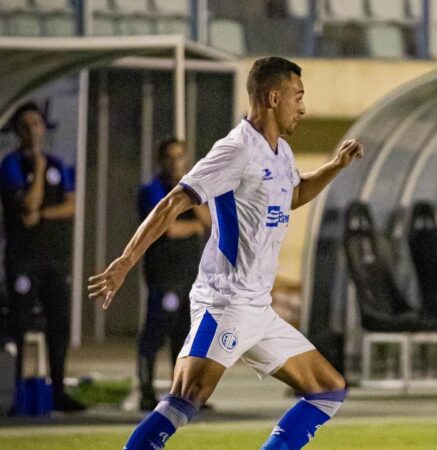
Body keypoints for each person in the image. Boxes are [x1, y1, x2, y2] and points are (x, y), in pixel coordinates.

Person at [88, 56, 364, 450]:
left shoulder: (281, 152)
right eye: (298, 97)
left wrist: (335, 166)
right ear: (273, 98)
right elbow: (172, 203)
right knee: (187, 396)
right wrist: (125, 262)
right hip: (226, 304)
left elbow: (295, 193)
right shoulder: (236, 150)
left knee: (327, 388)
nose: (302, 107)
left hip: (258, 308)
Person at [0, 102, 85, 412]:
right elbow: (28, 204)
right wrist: (36, 168)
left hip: (55, 258)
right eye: (25, 125)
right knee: (19, 324)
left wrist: (42, 214)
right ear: (17, 131)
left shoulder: (57, 163)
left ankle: (58, 390)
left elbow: (70, 205)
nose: (32, 130)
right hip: (24, 258)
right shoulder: (11, 164)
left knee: (58, 323)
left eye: (36, 124)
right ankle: (14, 394)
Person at [135, 138, 210, 411]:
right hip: (163, 275)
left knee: (185, 336)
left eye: (180, 157)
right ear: (161, 160)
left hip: (190, 275)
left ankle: (182, 394)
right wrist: (193, 228)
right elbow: (169, 229)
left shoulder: (192, 189)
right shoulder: (152, 190)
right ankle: (146, 392)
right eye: (170, 157)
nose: (175, 163)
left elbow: (208, 221)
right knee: (155, 333)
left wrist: (190, 191)